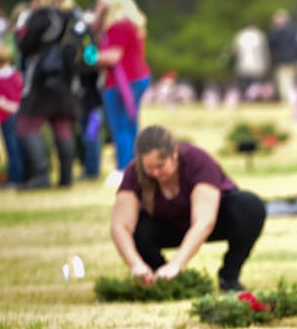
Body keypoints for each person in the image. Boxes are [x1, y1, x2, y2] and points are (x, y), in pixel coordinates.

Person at [110, 125, 265, 292]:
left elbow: (204, 221)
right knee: (139, 227)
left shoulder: (197, 161)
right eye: (149, 167)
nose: (155, 173)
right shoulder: (134, 173)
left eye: (161, 166)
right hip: (168, 227)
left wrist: (177, 264)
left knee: (248, 206)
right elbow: (119, 226)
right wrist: (136, 264)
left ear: (174, 154)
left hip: (210, 221)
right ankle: (158, 277)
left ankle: (229, 277)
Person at [14, 0, 80, 189]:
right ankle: (66, 177)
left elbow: (24, 46)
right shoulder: (74, 15)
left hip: (42, 80)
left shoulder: (41, 15)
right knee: (62, 126)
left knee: (26, 125)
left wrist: (21, 28)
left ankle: (41, 175)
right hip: (66, 81)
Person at [95, 0, 150, 185]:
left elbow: (112, 57)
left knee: (120, 126)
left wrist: (88, 56)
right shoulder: (133, 24)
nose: (98, 4)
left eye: (101, 0)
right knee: (130, 124)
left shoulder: (119, 26)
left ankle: (124, 169)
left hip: (122, 82)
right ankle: (136, 166)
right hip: (136, 77)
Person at [0, 43, 24, 186]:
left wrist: (6, 105)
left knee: (12, 148)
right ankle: (15, 176)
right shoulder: (17, 75)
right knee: (15, 147)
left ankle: (15, 178)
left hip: (7, 117)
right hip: (17, 115)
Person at [267, 8, 297, 104]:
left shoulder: (275, 32)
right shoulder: (294, 31)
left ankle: (287, 102)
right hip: (292, 60)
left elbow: (271, 47)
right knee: (291, 82)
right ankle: (293, 101)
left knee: (284, 83)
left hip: (281, 61)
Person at [232, 21, 269, 98]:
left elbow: (235, 51)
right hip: (255, 65)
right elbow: (265, 52)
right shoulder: (259, 35)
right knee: (254, 85)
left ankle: (247, 98)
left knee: (247, 85)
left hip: (245, 65)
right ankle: (252, 98)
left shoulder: (241, 36)